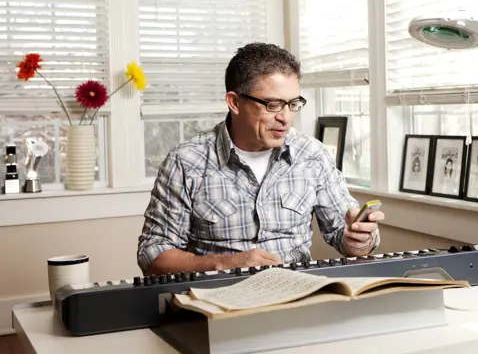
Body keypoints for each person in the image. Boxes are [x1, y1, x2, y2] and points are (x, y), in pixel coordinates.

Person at [137, 43, 384, 275]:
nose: (285, 118)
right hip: (219, 302)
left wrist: (360, 239)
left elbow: (347, 240)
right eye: (273, 104)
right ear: (235, 102)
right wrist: (226, 263)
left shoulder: (312, 156)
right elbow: (152, 256)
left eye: (293, 104)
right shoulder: (186, 162)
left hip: (295, 300)